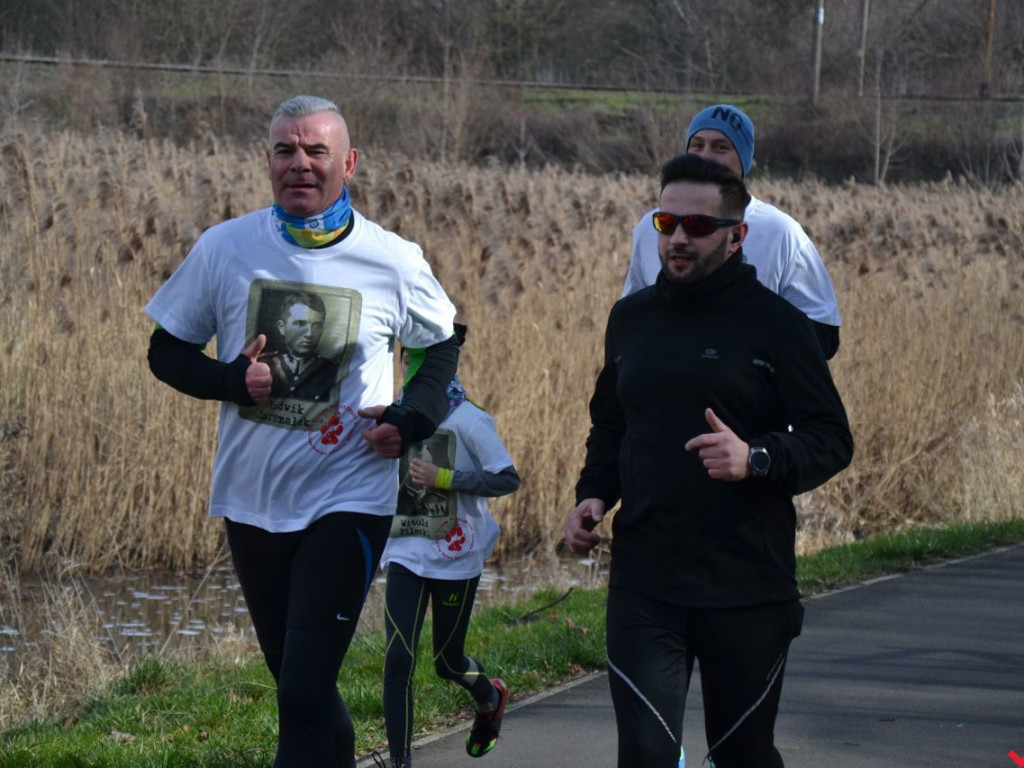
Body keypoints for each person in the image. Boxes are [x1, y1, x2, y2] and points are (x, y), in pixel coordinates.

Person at [145, 94, 460, 768]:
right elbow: (164, 353)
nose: (300, 164)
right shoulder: (226, 247)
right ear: (268, 161)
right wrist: (233, 380)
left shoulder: (393, 259)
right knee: (301, 687)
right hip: (253, 499)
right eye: (285, 150)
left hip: (350, 497)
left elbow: (442, 346)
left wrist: (410, 418)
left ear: (348, 163)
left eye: (316, 151)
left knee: (300, 689)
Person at [565, 154, 854, 768]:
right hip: (647, 579)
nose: (677, 238)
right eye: (666, 221)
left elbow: (832, 438)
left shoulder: (778, 326)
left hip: (747, 582)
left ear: (736, 235)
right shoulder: (632, 319)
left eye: (697, 226)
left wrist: (757, 457)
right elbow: (613, 420)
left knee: (742, 754)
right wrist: (593, 494)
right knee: (644, 754)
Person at [377, 326, 520, 768]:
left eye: (414, 361)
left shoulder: (469, 420)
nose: (407, 368)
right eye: (404, 359)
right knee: (398, 658)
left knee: (447, 662)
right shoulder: (395, 415)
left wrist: (446, 479)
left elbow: (507, 478)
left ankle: (489, 695)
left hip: (456, 555)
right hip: (406, 551)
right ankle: (400, 761)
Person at [621, 103, 842, 359]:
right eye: (697, 145)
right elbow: (632, 320)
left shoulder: (780, 232)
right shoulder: (654, 226)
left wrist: (744, 348)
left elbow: (824, 335)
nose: (705, 156)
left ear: (744, 161)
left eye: (721, 147)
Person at [259, 290, 337, 401]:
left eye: (316, 326)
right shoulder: (263, 363)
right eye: (300, 324)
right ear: (282, 327)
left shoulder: (331, 370)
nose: (309, 334)